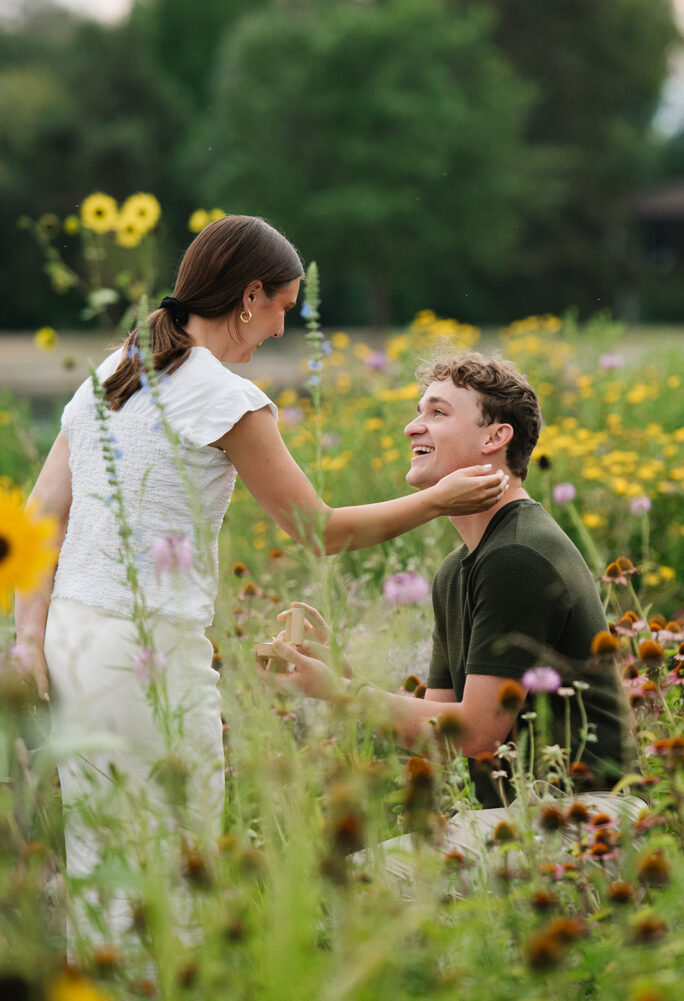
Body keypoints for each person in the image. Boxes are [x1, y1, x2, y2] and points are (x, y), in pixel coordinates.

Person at [14, 216, 507, 944]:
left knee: (102, 856)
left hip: (70, 642)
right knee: (174, 866)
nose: (282, 328)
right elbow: (319, 532)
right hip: (145, 653)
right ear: (249, 296)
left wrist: (28, 641)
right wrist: (437, 498)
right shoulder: (223, 396)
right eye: (284, 307)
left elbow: (36, 520)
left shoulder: (115, 374)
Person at [260, 351, 638, 870]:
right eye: (419, 411)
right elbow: (440, 741)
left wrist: (339, 691)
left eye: (437, 412)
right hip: (524, 814)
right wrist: (341, 673)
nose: (412, 425)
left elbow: (479, 734)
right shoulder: (458, 568)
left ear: (494, 438)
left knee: (350, 890)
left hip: (589, 818)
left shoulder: (517, 555)